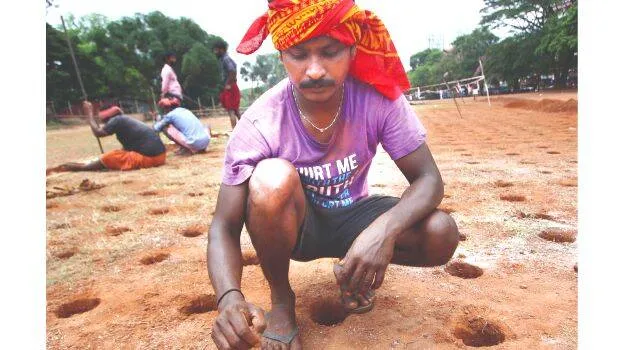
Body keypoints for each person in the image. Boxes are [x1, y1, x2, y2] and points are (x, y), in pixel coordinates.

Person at [207, 1, 459, 349]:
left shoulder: (377, 98)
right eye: (299, 55)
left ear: (352, 50)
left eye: (329, 52)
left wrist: (381, 233)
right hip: (297, 226)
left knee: (441, 232)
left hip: (352, 218)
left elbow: (429, 178)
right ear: (281, 56)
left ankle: (354, 272)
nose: (314, 70)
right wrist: (228, 298)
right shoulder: (260, 122)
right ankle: (282, 300)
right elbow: (224, 224)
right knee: (270, 179)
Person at [46, 101, 166, 174]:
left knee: (111, 156)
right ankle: (91, 164)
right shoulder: (124, 121)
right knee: (119, 153)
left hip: (151, 159)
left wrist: (89, 114)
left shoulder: (117, 120)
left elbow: (98, 133)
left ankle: (85, 168)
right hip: (160, 156)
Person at [212, 39, 241, 129]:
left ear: (222, 49)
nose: (215, 52)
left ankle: (235, 132)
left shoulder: (225, 59)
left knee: (231, 111)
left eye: (216, 50)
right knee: (235, 110)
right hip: (231, 86)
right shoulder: (224, 59)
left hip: (230, 87)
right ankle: (246, 129)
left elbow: (232, 71)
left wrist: (228, 84)